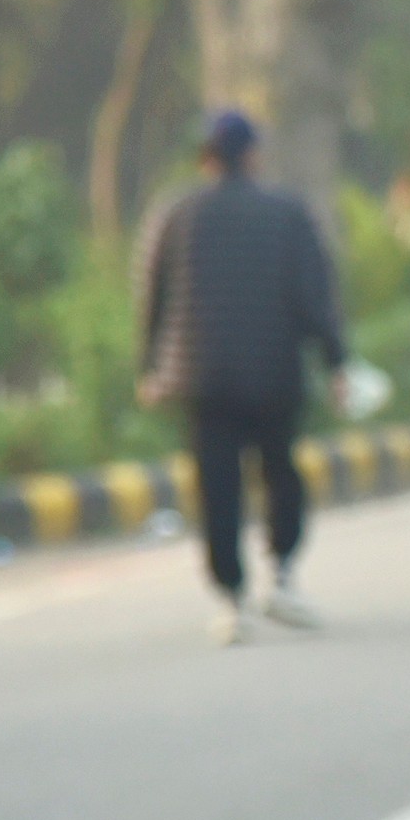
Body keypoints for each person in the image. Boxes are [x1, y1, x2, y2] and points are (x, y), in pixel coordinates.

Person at [134, 111, 349, 646]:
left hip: (202, 376)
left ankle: (232, 598)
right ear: (253, 156)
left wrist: (149, 367)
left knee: (218, 487)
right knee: (281, 473)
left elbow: (152, 294)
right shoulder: (287, 213)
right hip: (274, 370)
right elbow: (314, 296)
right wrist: (337, 362)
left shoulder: (176, 214)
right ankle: (282, 576)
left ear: (205, 158)